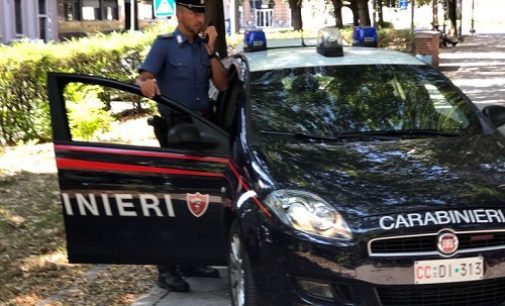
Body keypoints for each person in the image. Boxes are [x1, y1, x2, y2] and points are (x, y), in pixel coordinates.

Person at [136, 0, 229, 293]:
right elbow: (145, 76)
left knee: (199, 199)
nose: (199, 19)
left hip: (204, 130)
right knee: (174, 201)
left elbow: (223, 85)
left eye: (202, 13)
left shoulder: (204, 48)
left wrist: (211, 50)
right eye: (194, 12)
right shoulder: (164, 46)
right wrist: (146, 83)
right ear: (179, 13)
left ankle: (191, 260)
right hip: (176, 131)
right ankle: (166, 269)